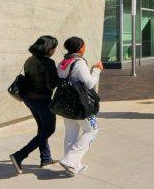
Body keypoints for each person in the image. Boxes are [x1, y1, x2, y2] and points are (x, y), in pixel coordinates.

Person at [9, 35, 60, 174]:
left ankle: (46, 158)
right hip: (42, 100)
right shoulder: (48, 63)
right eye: (54, 48)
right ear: (48, 48)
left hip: (29, 99)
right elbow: (51, 84)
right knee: (49, 130)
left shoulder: (29, 60)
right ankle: (19, 155)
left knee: (42, 129)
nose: (54, 51)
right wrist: (61, 77)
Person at [57, 36, 102, 176]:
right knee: (92, 131)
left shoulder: (62, 63)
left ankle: (73, 166)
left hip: (66, 105)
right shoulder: (79, 63)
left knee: (71, 134)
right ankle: (70, 160)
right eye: (84, 45)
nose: (85, 48)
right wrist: (97, 70)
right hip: (81, 105)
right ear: (80, 48)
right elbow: (90, 84)